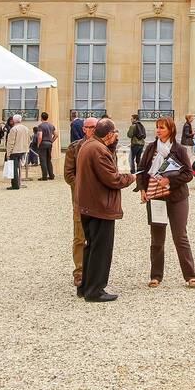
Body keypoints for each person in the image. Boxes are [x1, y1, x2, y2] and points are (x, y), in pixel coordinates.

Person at [75, 118, 134, 302]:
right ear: (109, 134)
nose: (117, 136)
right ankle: (95, 290)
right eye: (115, 133)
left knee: (91, 247)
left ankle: (85, 287)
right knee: (101, 249)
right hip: (100, 205)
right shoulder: (99, 150)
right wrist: (131, 178)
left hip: (89, 204)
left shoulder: (88, 145)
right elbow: (112, 179)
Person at [135, 117, 195, 288]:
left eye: (161, 128)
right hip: (155, 196)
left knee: (180, 236)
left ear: (170, 129)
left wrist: (169, 180)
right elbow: (141, 170)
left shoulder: (179, 149)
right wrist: (142, 189)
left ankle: (190, 275)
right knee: (157, 239)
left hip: (177, 197)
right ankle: (156, 276)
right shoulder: (150, 148)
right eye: (157, 127)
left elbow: (188, 174)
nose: (158, 130)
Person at [63, 118, 98, 287]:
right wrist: (84, 185)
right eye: (89, 127)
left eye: (95, 127)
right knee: (79, 235)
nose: (92, 130)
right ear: (84, 129)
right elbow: (68, 175)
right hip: (80, 197)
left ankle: (95, 270)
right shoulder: (74, 147)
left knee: (97, 235)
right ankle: (79, 271)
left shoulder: (104, 147)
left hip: (99, 199)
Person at [3, 113, 32, 190]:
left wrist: (8, 153)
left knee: (14, 168)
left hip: (15, 151)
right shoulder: (26, 128)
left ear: (13, 120)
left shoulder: (13, 129)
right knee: (18, 167)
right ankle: (18, 183)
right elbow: (29, 140)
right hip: (23, 150)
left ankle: (15, 185)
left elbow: (10, 142)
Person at [35, 112, 57, 181]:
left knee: (43, 160)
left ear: (41, 117)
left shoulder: (40, 126)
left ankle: (44, 176)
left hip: (43, 143)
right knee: (48, 160)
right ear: (47, 117)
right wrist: (51, 141)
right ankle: (51, 175)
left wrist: (38, 144)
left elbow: (40, 136)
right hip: (49, 143)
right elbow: (56, 135)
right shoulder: (51, 125)